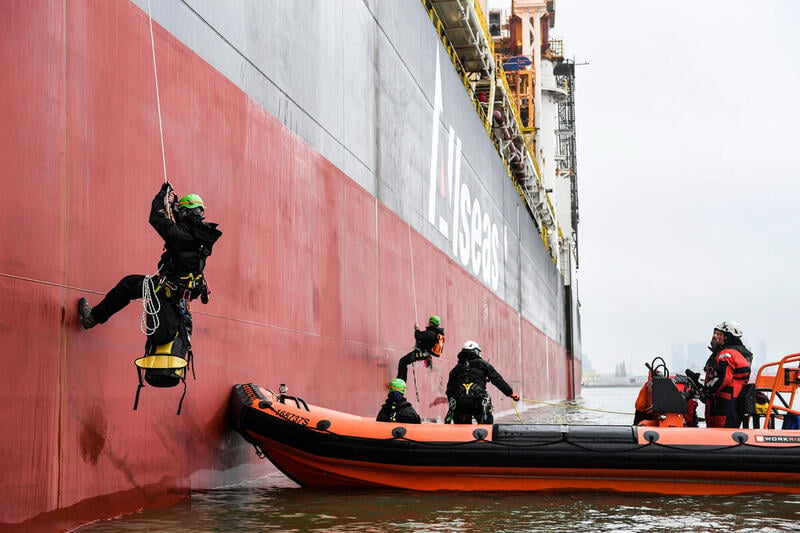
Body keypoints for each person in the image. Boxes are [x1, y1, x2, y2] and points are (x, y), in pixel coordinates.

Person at [78, 182, 222, 352]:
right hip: (183, 288)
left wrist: (161, 196)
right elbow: (185, 229)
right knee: (131, 284)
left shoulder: (181, 234)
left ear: (185, 213)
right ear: (200, 212)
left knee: (128, 285)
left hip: (169, 287)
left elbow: (156, 218)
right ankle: (94, 317)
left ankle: (92, 318)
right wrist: (175, 204)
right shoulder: (203, 234)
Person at [445, 341, 519, 424]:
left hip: (460, 404)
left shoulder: (455, 369)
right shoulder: (483, 364)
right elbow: (498, 380)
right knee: (486, 426)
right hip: (478, 402)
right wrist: (511, 393)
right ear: (476, 352)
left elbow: (449, 391)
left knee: (461, 427)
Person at [697, 321, 753, 428]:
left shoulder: (726, 354)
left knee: (720, 434)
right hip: (733, 403)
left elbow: (723, 378)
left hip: (723, 405)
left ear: (728, 336)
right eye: (715, 333)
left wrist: (707, 392)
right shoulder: (740, 354)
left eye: (719, 334)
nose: (715, 337)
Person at [396, 315, 445, 382]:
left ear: (431, 322)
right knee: (405, 361)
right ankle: (401, 381)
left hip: (420, 353)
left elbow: (418, 337)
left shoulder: (430, 333)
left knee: (403, 361)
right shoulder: (436, 334)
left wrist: (417, 329)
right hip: (425, 354)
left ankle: (400, 381)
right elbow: (423, 337)